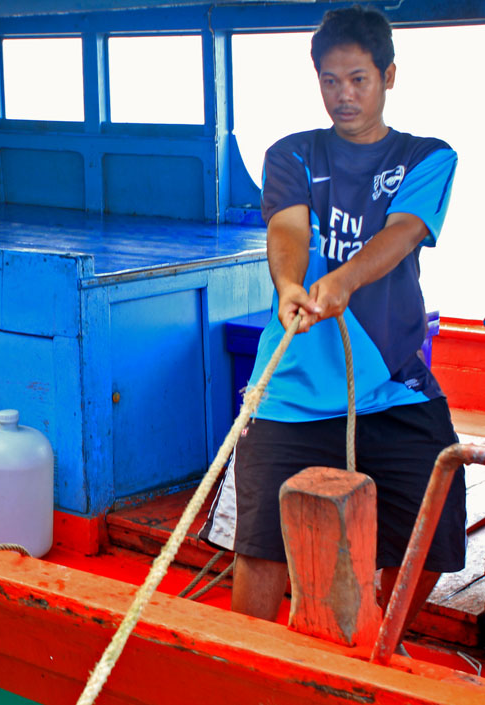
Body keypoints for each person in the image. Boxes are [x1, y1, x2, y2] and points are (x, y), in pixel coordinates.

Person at [199, 5, 466, 635]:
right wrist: (291, 283)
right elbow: (287, 229)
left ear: (388, 76)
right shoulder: (291, 153)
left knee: (441, 518)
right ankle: (252, 665)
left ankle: (380, 634)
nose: (343, 95)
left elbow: (402, 233)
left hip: (391, 383)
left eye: (358, 79)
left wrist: (344, 280)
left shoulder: (429, 156)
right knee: (259, 546)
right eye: (329, 81)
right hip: (290, 388)